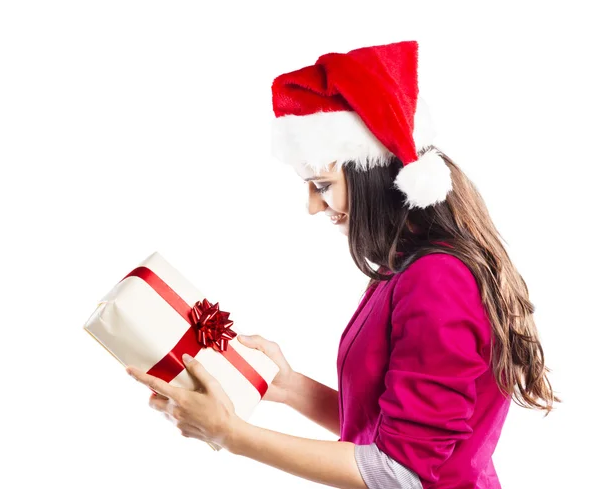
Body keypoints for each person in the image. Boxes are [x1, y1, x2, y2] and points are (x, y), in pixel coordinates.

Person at [126, 40, 559, 489]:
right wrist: (288, 386)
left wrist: (231, 434)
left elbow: (401, 471)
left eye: (322, 184)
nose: (314, 206)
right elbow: (388, 429)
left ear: (371, 174)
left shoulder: (438, 279)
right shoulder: (407, 268)